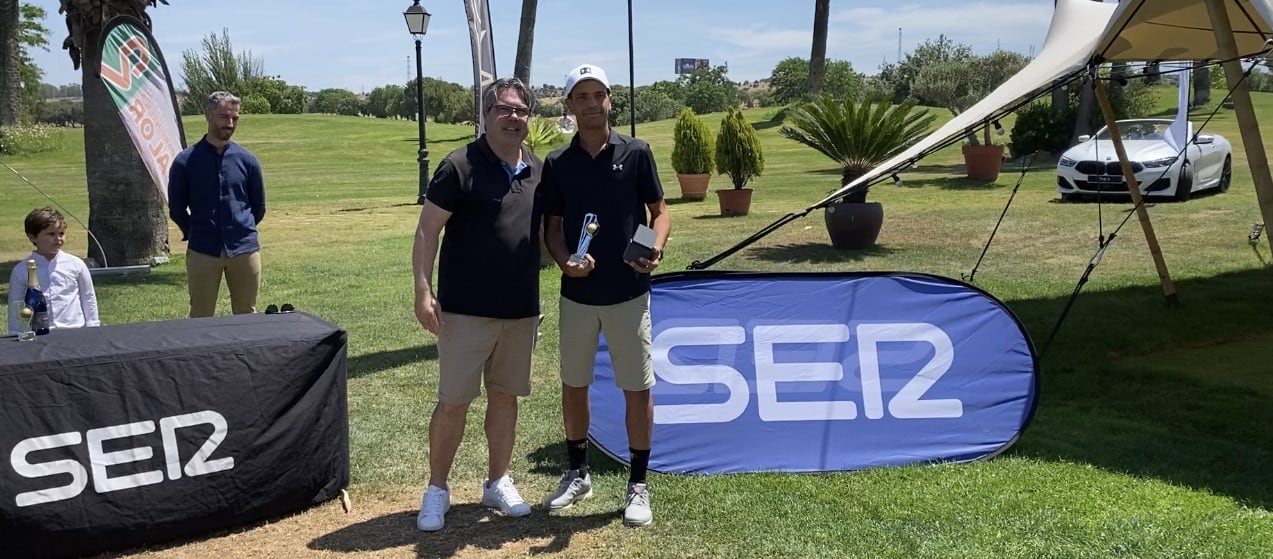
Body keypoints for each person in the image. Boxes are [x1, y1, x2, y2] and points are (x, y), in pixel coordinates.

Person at [540, 63, 671, 527]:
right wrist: (564, 261)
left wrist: (654, 246)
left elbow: (660, 213)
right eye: (582, 96)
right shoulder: (557, 163)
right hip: (577, 296)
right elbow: (552, 229)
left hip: (629, 292)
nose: (592, 103)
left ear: (610, 100)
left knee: (637, 388)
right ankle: (578, 473)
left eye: (600, 95)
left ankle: (638, 484)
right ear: (570, 106)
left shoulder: (636, 152)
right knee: (574, 385)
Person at [412, 77, 543, 532]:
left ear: (529, 118)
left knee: (505, 400)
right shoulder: (459, 166)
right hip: (465, 310)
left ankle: (497, 481)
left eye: (520, 111)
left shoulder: (537, 168)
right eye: (504, 109)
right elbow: (428, 229)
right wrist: (423, 289)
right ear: (486, 116)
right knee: (453, 402)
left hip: (520, 310)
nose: (513, 118)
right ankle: (437, 489)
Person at [168, 91, 266, 318]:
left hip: (244, 249)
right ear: (208, 115)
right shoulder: (185, 161)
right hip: (203, 250)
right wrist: (194, 231)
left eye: (235, 118)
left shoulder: (247, 160)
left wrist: (241, 228)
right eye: (224, 117)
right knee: (201, 316)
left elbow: (258, 206)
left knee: (247, 315)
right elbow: (177, 208)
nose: (230, 124)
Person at [7, 208, 99, 334]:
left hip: (75, 331)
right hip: (39, 334)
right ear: (32, 237)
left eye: (61, 233)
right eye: (51, 234)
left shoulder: (76, 264)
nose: (58, 239)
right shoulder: (21, 270)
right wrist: (15, 332)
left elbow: (88, 297)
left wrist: (93, 327)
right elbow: (16, 305)